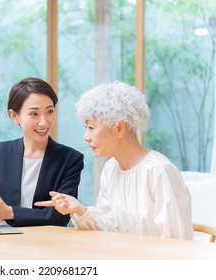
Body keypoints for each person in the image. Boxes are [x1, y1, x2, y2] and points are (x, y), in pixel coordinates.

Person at [35, 81, 194, 240]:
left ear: (119, 128)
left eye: (90, 127)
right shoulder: (111, 168)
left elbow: (178, 243)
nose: (86, 137)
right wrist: (79, 209)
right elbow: (109, 229)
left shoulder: (159, 171)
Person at [0, 77, 84, 227]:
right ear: (14, 116)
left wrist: (10, 212)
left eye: (50, 111)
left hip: (47, 243)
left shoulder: (70, 159)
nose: (44, 122)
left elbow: (60, 216)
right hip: (4, 240)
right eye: (34, 114)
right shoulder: (1, 152)